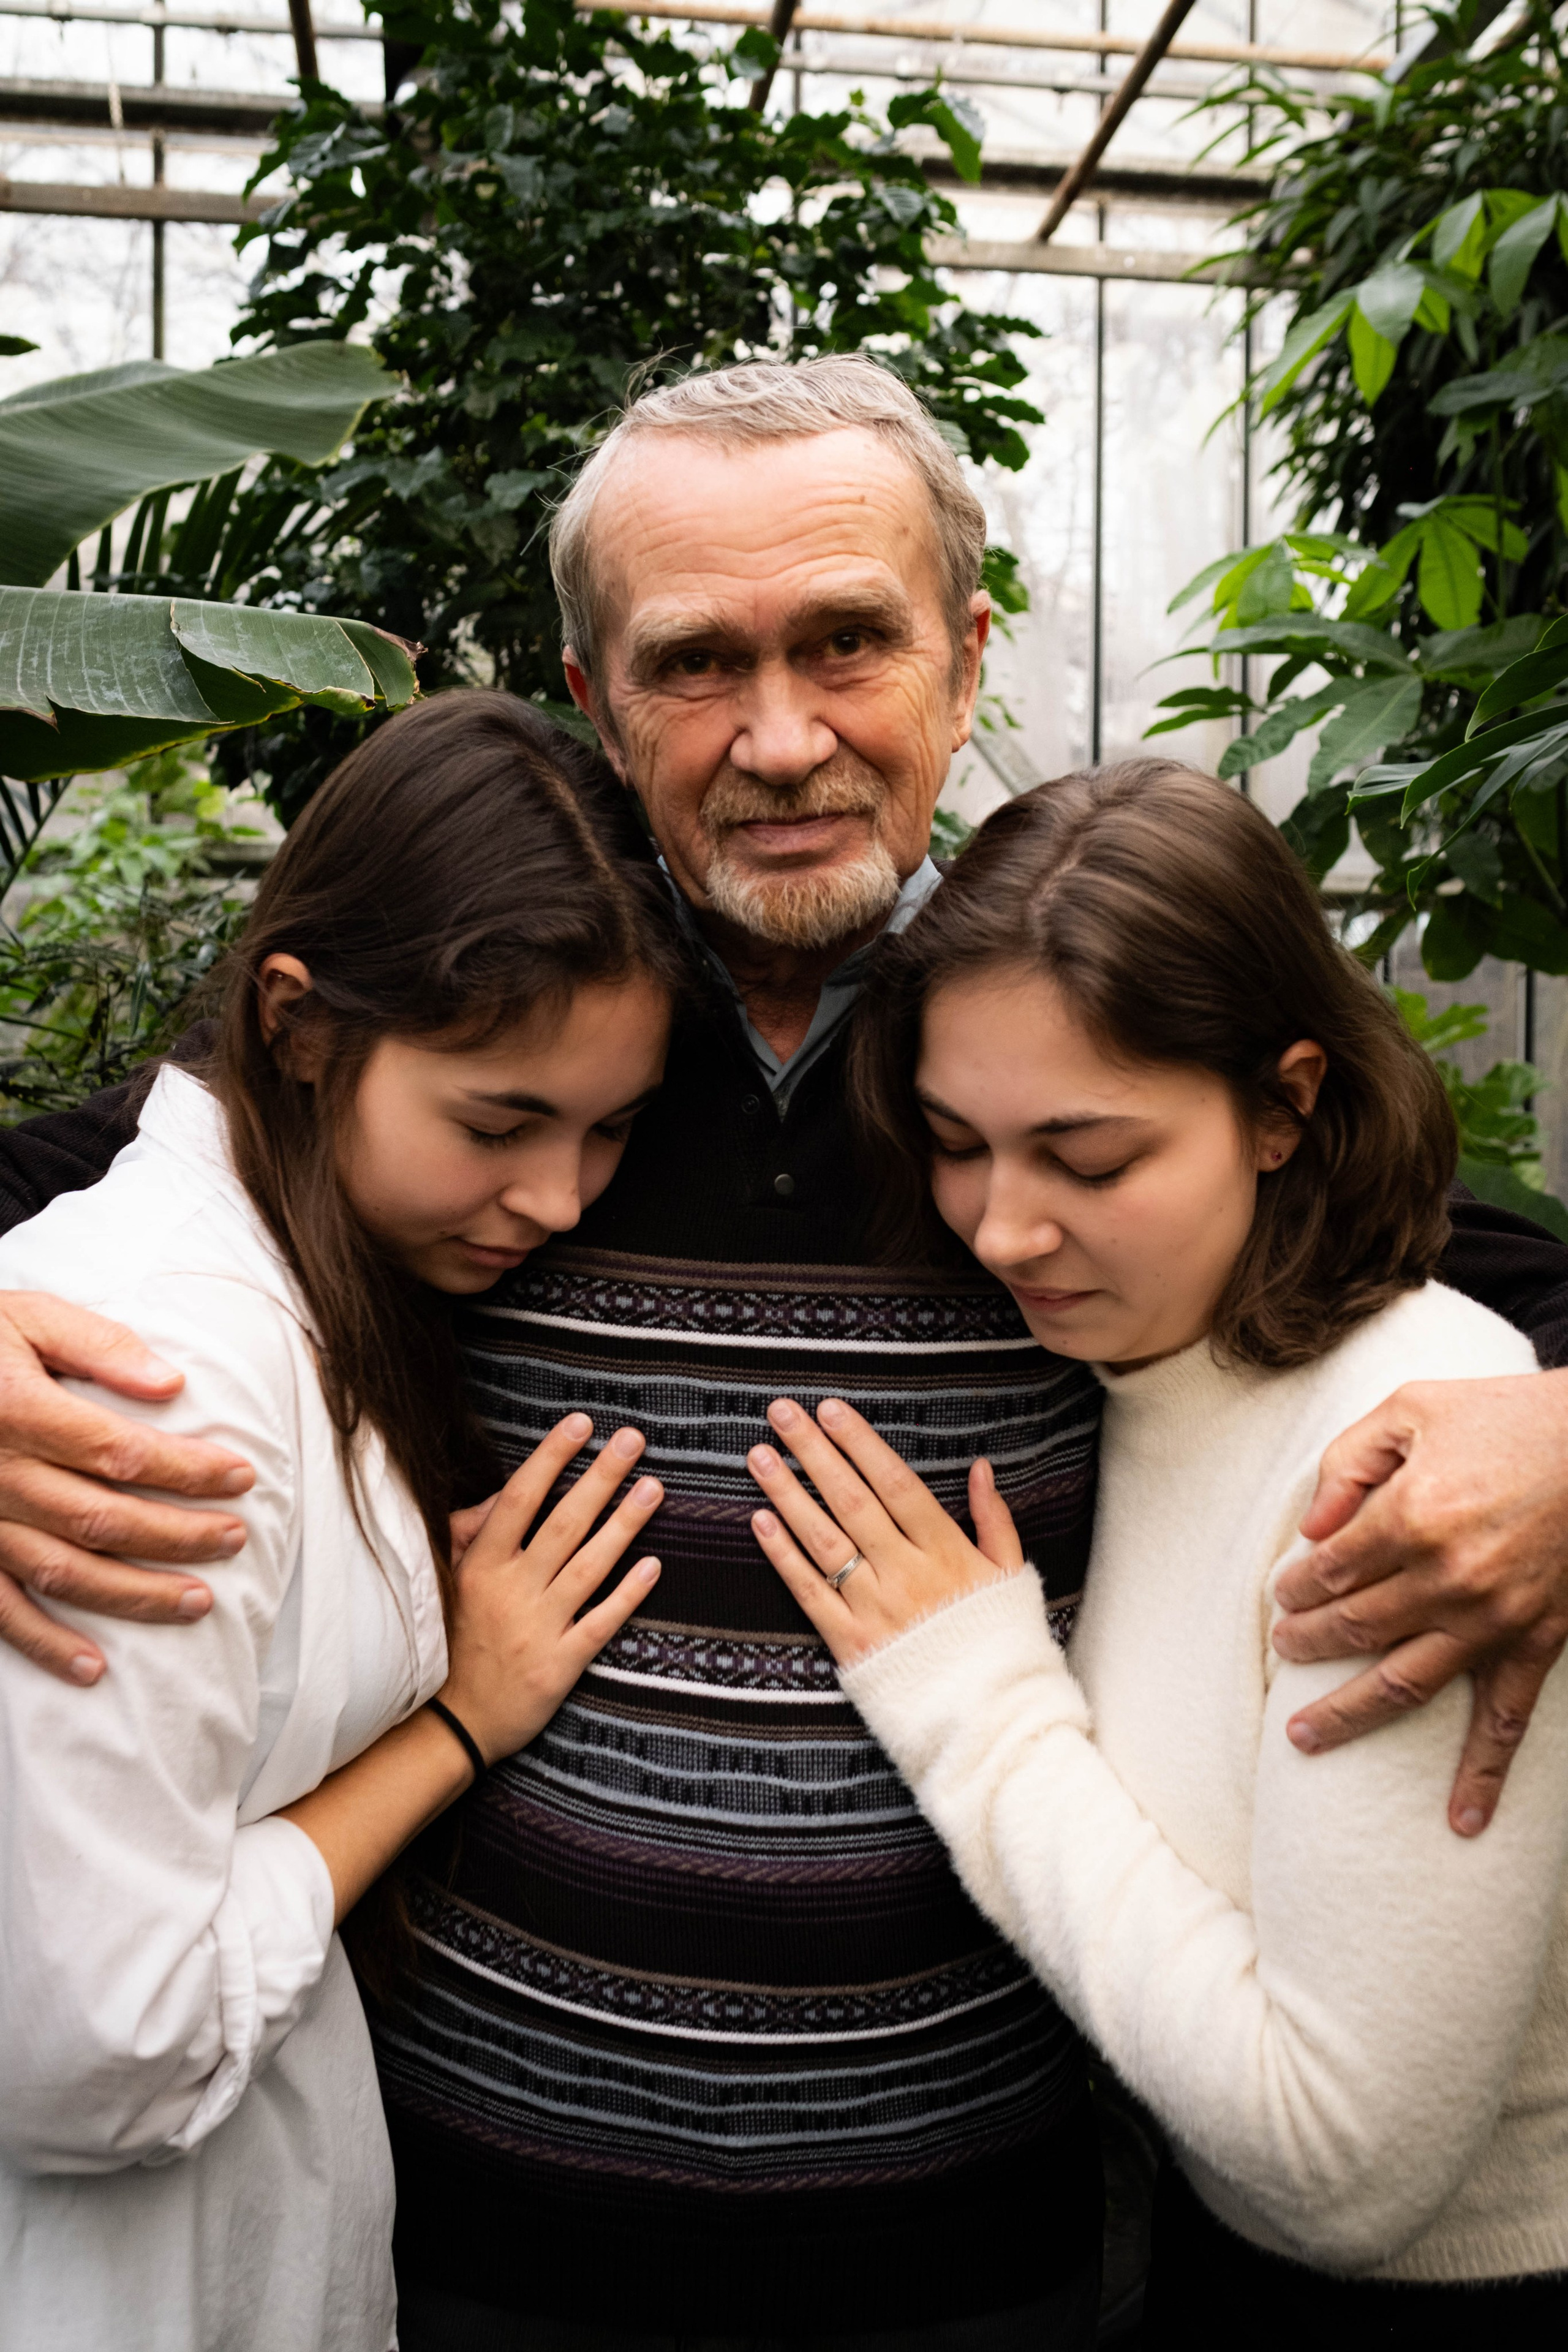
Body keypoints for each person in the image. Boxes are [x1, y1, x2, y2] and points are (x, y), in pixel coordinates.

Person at [1, 360, 1567, 2347]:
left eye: (847, 641)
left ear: (966, 659)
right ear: (597, 700)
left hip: (970, 2250)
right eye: (695, 663)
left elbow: (1398, 1230)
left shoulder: (1050, 1032)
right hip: (470, 2232)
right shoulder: (515, 1016)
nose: (781, 736)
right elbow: (154, 1182)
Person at [745, 761, 1568, 2350]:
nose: (1003, 1230)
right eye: (956, 1142)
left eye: (1093, 1160)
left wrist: (978, 1707)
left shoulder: (1409, 1463)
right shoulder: (1152, 1360)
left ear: (1283, 1107)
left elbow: (1339, 2166)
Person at [0, 693, 683, 2352]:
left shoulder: (314, 1270)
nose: (556, 1199)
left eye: (608, 1129)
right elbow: (103, 2053)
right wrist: (457, 1723)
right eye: (497, 1123)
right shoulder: (161, 1385)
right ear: (298, 1025)